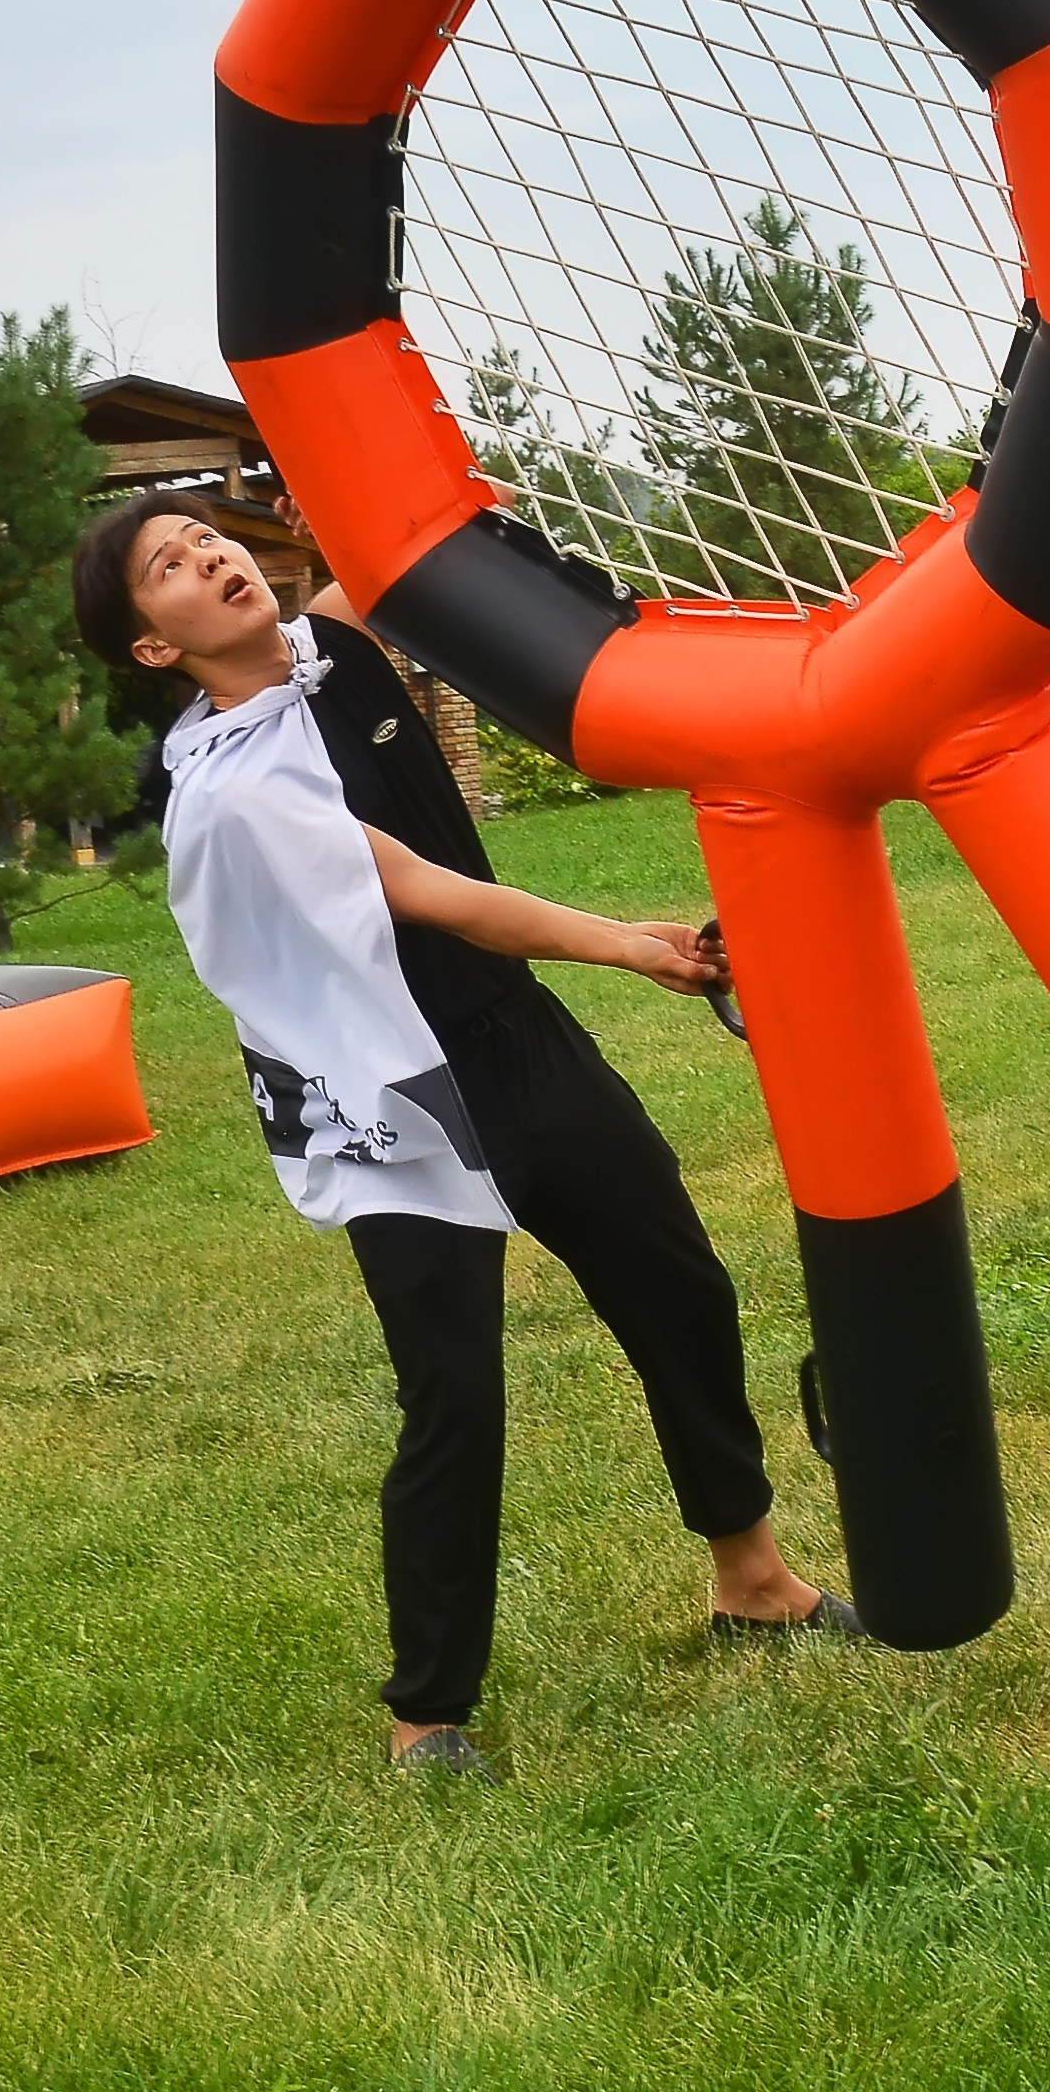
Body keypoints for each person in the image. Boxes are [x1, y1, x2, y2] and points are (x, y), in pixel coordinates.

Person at [72, 491, 859, 1785]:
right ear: (151, 645)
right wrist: (632, 944)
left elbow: (388, 533)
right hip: (387, 1095)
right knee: (455, 1398)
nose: (209, 555)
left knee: (679, 1291)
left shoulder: (332, 649)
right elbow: (425, 892)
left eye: (208, 534)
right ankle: (425, 1716)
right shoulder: (233, 783)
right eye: (168, 562)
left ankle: (753, 1584)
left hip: (511, 1038)